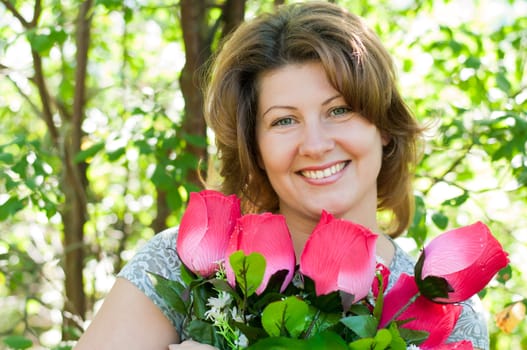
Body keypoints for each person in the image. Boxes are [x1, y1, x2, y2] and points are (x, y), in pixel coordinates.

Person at [74, 2, 489, 349]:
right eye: (284, 121)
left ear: (382, 126)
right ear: (254, 147)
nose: (315, 144)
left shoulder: (446, 313)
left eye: (339, 110)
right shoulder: (182, 268)